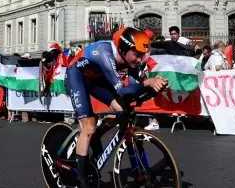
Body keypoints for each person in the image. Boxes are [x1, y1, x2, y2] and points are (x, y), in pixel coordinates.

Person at [65, 27, 168, 188]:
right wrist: (148, 83)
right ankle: (81, 178)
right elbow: (122, 89)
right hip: (77, 76)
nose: (140, 59)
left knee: (123, 110)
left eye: (143, 55)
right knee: (88, 127)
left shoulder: (131, 60)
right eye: (137, 54)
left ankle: (97, 136)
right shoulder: (104, 52)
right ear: (125, 49)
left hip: (97, 80)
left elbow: (133, 92)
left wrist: (155, 87)